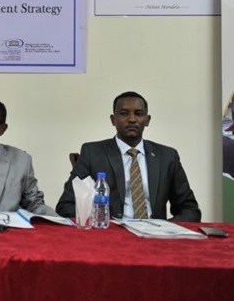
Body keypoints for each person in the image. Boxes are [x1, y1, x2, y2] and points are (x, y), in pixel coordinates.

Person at [56, 91, 201, 221]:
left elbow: (190, 209)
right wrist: (102, 221)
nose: (132, 119)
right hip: (110, 234)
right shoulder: (92, 153)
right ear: (113, 119)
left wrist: (166, 229)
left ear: (147, 120)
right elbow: (66, 206)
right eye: (124, 113)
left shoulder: (167, 157)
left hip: (155, 235)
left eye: (139, 113)